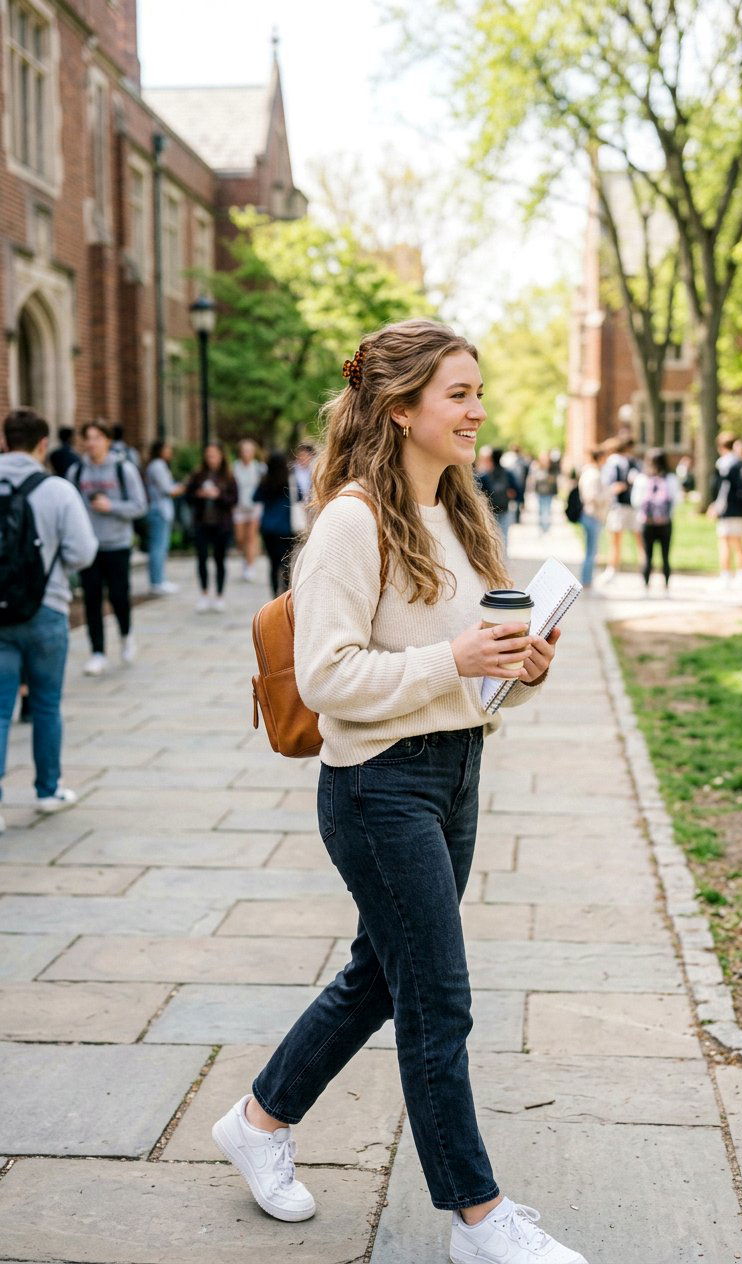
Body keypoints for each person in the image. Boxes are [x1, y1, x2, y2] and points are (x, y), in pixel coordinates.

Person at [210, 319, 582, 1264]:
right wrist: (453, 656)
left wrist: (518, 667)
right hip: (379, 790)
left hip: (456, 771)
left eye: (476, 391)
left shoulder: (460, 515)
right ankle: (478, 1217)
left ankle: (257, 1124)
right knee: (437, 998)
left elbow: (469, 674)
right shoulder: (352, 521)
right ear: (400, 406)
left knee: (382, 975)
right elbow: (328, 677)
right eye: (457, 394)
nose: (477, 409)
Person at [0, 409, 97, 831]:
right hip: (47, 608)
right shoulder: (58, 490)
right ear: (42, 445)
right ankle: (47, 790)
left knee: (0, 710)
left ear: (5, 442)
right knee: (44, 704)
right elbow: (83, 552)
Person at [70, 421, 147, 675]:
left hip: (117, 544)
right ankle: (97, 652)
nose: (92, 443)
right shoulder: (77, 471)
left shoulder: (124, 469)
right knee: (91, 599)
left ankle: (126, 637)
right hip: (89, 546)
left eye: (97, 437)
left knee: (118, 595)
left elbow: (139, 506)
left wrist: (111, 506)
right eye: (88, 438)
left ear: (107, 441)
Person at [184, 442, 238, 612]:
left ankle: (220, 595)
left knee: (220, 560)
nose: (211, 459)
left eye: (214, 455)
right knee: (201, 559)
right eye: (208, 455)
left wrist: (218, 495)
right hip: (202, 523)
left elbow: (234, 500)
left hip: (221, 525)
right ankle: (204, 594)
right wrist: (199, 495)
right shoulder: (198, 475)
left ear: (221, 456)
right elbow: (188, 497)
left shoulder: (228, 476)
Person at [707, 430, 742, 589]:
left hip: (727, 509)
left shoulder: (724, 463)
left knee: (725, 542)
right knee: (739, 541)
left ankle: (726, 576)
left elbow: (723, 487)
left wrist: (716, 506)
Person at [631, 449, 682, 594]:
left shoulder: (642, 479)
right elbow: (676, 500)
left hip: (647, 523)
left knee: (647, 555)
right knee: (665, 556)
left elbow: (636, 501)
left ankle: (646, 586)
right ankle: (666, 585)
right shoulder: (671, 479)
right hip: (665, 523)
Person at [253, 451, 297, 597]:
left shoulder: (265, 481)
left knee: (272, 564)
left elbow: (255, 497)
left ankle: (274, 595)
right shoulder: (289, 481)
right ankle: (285, 594)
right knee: (286, 565)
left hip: (268, 528)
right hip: (286, 528)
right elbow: (299, 498)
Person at [599, 437, 641, 584]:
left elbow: (608, 484)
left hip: (618, 506)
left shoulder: (613, 462)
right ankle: (643, 568)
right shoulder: (634, 462)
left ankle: (612, 570)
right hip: (633, 506)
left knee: (615, 540)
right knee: (638, 539)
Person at [145, 439, 183, 595]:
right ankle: (157, 582)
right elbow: (167, 489)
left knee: (161, 546)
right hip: (159, 511)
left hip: (160, 510)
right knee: (158, 547)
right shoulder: (158, 466)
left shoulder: (157, 466)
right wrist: (184, 487)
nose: (170, 451)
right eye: (167, 448)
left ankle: (160, 579)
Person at [232, 438, 266, 582]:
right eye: (244, 450)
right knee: (240, 538)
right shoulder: (234, 467)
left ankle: (250, 566)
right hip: (239, 506)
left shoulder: (259, 468)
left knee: (251, 537)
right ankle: (246, 559)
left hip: (254, 507)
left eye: (249, 450)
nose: (247, 453)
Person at [478, 447, 519, 554]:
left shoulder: (486, 475)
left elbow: (479, 491)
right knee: (504, 534)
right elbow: (517, 490)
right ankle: (503, 558)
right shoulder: (507, 473)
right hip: (504, 507)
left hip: (490, 509)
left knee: (491, 534)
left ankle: (494, 557)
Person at [577, 448, 607, 588]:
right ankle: (586, 580)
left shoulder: (588, 472)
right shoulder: (593, 474)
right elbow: (592, 496)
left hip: (589, 514)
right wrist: (609, 494)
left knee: (590, 550)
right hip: (592, 515)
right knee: (591, 551)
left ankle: (587, 578)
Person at [529, 451, 558, 534]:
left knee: (547, 510)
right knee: (541, 510)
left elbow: (554, 480)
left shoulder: (552, 468)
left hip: (549, 492)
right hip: (540, 492)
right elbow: (535, 479)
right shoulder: (537, 467)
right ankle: (542, 527)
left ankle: (546, 527)